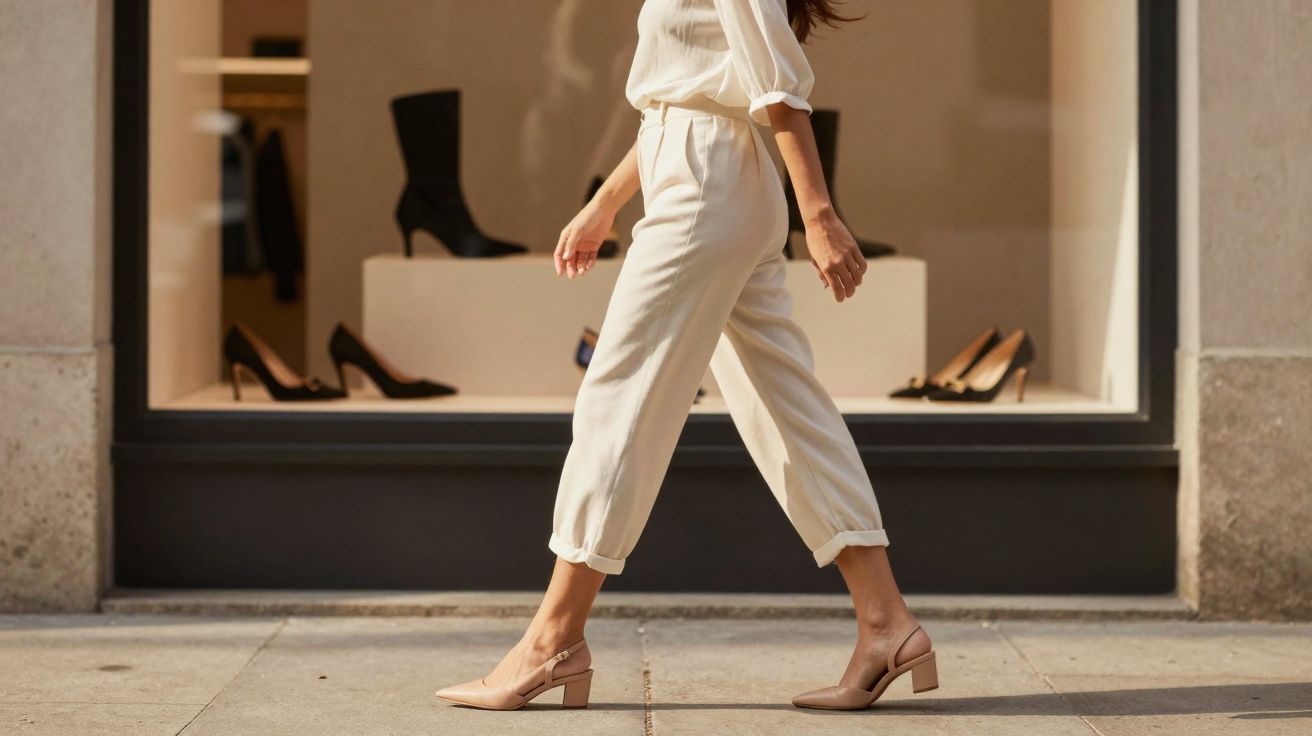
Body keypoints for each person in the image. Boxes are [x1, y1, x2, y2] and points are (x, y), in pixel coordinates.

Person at [436, 0, 936, 712]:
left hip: (706, 188)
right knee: (785, 408)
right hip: (712, 177)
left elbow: (777, 88)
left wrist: (821, 214)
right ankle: (886, 623)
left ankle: (553, 641)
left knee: (620, 399)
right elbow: (693, 89)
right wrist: (606, 202)